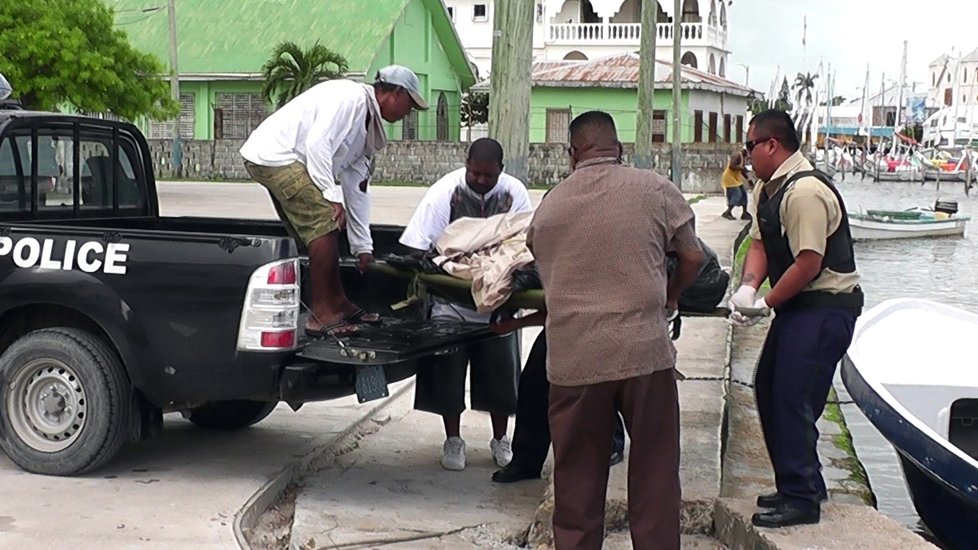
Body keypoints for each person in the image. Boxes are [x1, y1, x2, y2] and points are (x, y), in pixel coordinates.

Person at [526, 111, 704, 550]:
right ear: (619, 149)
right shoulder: (654, 189)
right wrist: (671, 295)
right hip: (643, 354)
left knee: (577, 480)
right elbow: (694, 257)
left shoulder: (550, 206)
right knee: (656, 473)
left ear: (572, 154)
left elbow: (539, 264)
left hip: (574, 362)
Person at [729, 109, 863, 529]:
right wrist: (749, 285)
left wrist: (765, 303)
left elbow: (808, 262)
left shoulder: (804, 192)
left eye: (751, 146)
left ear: (772, 145)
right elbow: (760, 243)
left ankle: (802, 496)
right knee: (768, 387)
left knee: (793, 394)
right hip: (798, 307)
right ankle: (797, 482)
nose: (746, 154)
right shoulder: (768, 188)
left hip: (825, 306)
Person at [240, 65, 426, 337]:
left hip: (289, 159)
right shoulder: (351, 99)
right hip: (275, 155)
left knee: (329, 224)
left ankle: (337, 302)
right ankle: (321, 315)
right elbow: (318, 144)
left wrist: (363, 246)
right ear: (396, 93)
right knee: (325, 222)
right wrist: (330, 194)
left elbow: (357, 189)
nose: (409, 113)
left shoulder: (366, 127)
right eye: (409, 105)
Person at [399, 138, 533, 471]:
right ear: (466, 164)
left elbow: (525, 241)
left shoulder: (515, 193)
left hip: (498, 301)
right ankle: (453, 439)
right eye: (476, 173)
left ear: (501, 170)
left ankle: (501, 439)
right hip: (452, 301)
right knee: (447, 375)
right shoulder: (445, 191)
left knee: (501, 377)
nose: (482, 181)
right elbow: (419, 245)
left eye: (489, 175)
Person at [489, 314, 626, 484]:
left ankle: (611, 443)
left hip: (606, 326)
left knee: (597, 388)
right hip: (561, 323)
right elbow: (555, 306)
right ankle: (526, 461)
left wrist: (519, 323)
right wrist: (517, 322)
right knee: (535, 382)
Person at [721, 150, 752, 220]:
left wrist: (748, 179)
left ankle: (744, 213)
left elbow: (742, 170)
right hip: (729, 179)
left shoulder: (742, 158)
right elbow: (732, 166)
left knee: (744, 195)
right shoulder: (737, 155)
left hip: (736, 179)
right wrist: (742, 168)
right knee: (737, 196)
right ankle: (727, 212)